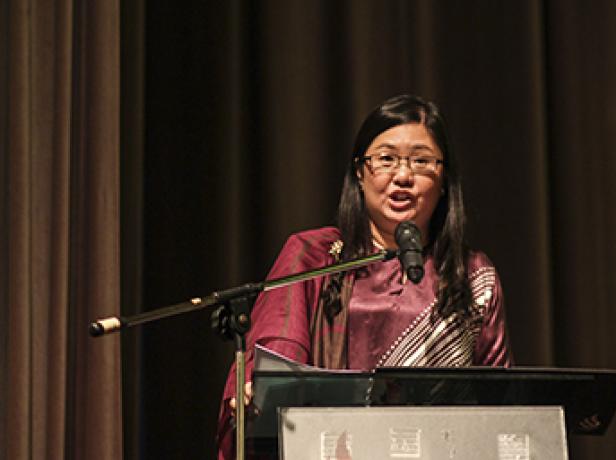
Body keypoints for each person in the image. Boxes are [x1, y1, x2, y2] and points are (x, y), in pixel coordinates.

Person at [216, 94, 512, 458]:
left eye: (421, 161)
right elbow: (279, 353)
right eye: (386, 159)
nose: (402, 176)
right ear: (360, 171)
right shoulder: (313, 257)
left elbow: (501, 404)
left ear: (444, 176)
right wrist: (257, 389)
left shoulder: (473, 275)